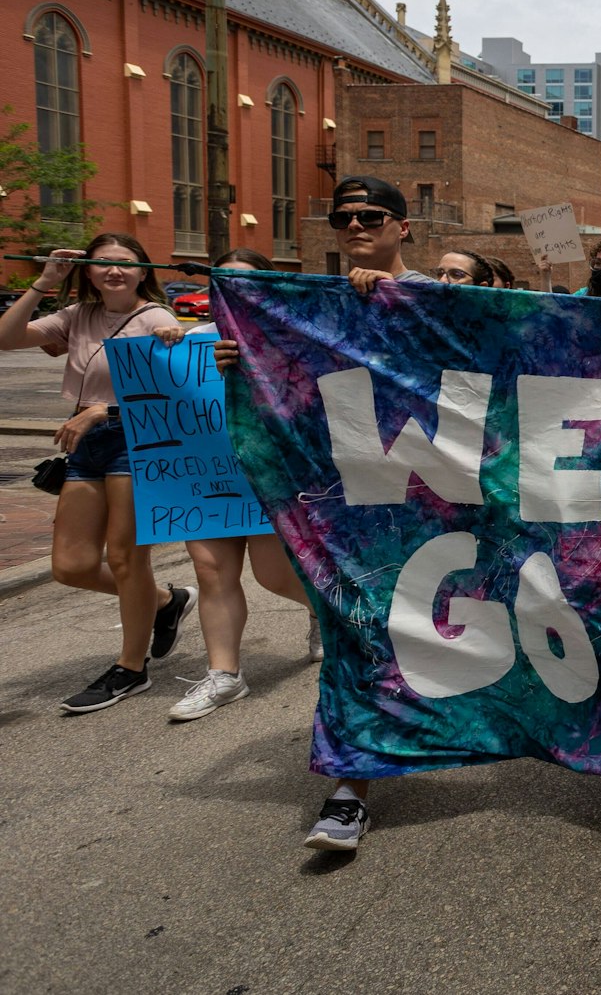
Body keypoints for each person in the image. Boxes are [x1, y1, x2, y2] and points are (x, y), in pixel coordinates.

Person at [215, 175, 429, 851]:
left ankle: (437, 736)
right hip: (345, 502)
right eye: (344, 217)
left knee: (435, 632)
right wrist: (243, 362)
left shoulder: (441, 299)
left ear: (404, 226)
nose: (356, 225)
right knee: (355, 629)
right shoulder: (304, 309)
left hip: (431, 498)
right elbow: (293, 399)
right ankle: (349, 788)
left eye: (371, 215)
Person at [0, 234, 191, 713]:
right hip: (85, 445)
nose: (114, 272)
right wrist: (44, 283)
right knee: (72, 566)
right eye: (102, 263)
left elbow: (169, 395)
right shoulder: (77, 317)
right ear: (87, 270)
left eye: (125, 264)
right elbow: (5, 339)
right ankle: (166, 601)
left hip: (135, 441)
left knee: (126, 559)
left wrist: (104, 408)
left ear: (143, 271)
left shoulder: (155, 319)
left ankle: (131, 668)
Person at [169, 247, 319, 723]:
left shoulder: (286, 338)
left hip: (267, 473)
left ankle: (326, 613)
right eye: (221, 281)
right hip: (206, 476)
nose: (229, 290)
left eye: (243, 282)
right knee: (211, 572)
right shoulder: (191, 340)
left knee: (273, 575)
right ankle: (225, 675)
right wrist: (166, 348)